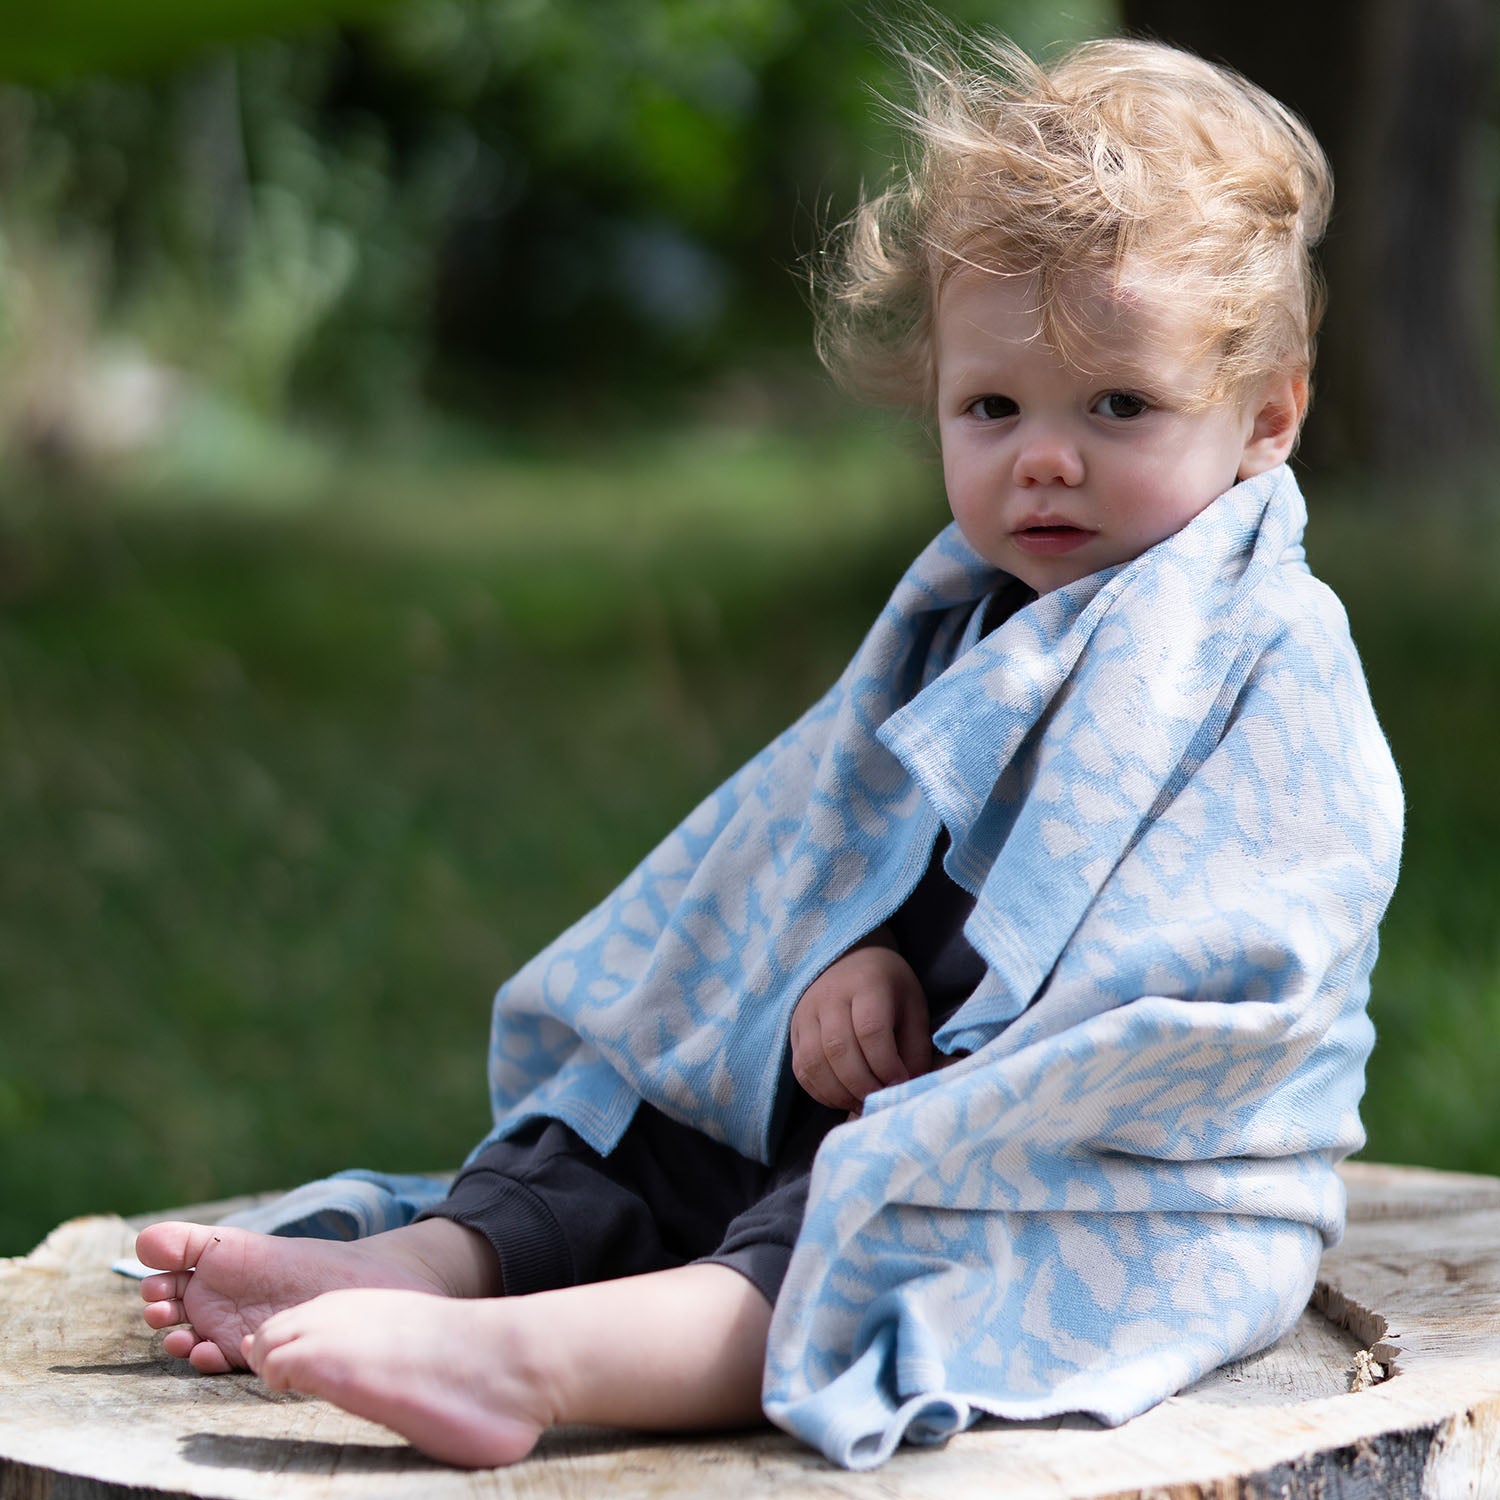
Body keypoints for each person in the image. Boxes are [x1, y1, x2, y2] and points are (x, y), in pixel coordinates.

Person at [133, 27, 1403, 1473]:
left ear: (1268, 416)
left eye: (1118, 404)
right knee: (645, 1117)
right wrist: (834, 973)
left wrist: (965, 1082)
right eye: (994, 408)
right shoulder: (975, 623)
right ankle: (439, 1266)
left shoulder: (1262, 654)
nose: (1044, 456)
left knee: (866, 1223)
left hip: (1116, 1172)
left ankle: (527, 1366)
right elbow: (842, 852)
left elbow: (1224, 964)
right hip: (904, 1092)